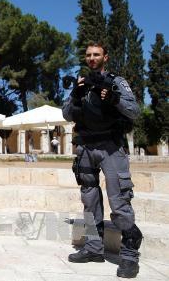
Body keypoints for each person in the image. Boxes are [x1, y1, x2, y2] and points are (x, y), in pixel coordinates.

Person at [62, 42, 142, 278]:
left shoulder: (116, 82)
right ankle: (93, 249)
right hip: (86, 146)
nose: (92, 58)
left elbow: (134, 111)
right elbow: (66, 114)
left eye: (96, 54)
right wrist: (76, 96)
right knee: (89, 198)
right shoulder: (82, 84)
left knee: (119, 201)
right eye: (88, 55)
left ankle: (129, 257)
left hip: (110, 146)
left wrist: (114, 100)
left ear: (105, 57)